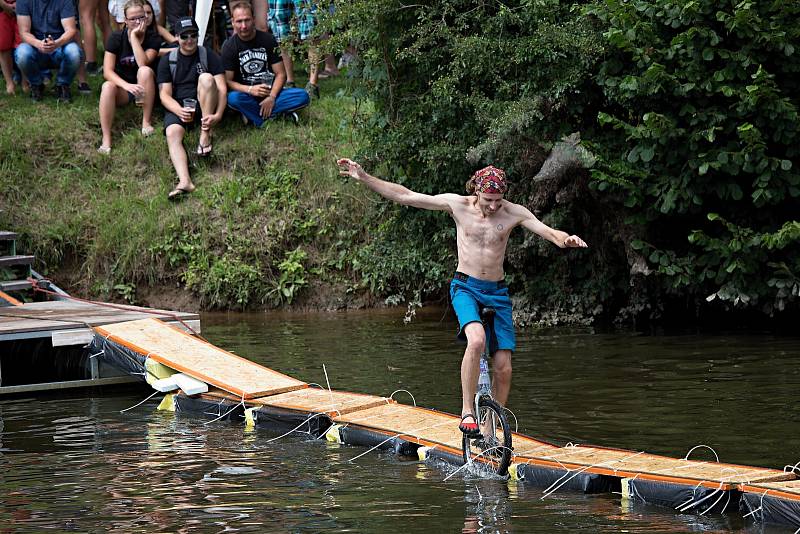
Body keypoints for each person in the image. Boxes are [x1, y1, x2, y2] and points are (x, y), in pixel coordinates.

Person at [336, 159, 588, 436]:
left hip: (497, 293)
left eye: (498, 200)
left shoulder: (513, 212)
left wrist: (566, 240)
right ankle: (467, 410)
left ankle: (491, 425)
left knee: (503, 368)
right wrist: (365, 177)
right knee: (477, 339)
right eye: (488, 199)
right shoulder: (458, 205)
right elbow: (407, 196)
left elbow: (549, 232)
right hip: (466, 287)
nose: (494, 206)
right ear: (477, 190)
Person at [157, 15, 226, 200]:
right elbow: (164, 95)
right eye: (184, 36)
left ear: (198, 35)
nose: (189, 40)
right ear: (177, 37)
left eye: (193, 35)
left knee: (206, 78)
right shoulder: (168, 60)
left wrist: (218, 114)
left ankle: (205, 133)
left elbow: (222, 87)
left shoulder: (207, 54)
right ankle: (185, 181)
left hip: (204, 105)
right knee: (172, 133)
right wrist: (178, 111)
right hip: (179, 106)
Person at [221, 0, 309, 127]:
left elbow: (281, 74)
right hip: (247, 95)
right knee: (233, 99)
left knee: (302, 96)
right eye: (239, 21)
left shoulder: (268, 39)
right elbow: (228, 81)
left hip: (271, 92)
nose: (244, 26)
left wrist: (272, 97)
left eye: (247, 20)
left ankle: (254, 117)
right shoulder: (229, 47)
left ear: (254, 19)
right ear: (233, 22)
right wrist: (250, 90)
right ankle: (274, 115)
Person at [97, 0, 160, 153]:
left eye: (141, 17)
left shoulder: (153, 38)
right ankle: (106, 139)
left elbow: (143, 62)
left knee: (144, 71)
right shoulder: (116, 38)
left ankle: (146, 122)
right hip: (124, 90)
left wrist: (134, 39)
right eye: (133, 19)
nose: (138, 21)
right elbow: (107, 71)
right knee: (107, 86)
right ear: (125, 20)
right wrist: (127, 86)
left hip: (146, 88)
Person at [14, 0, 81, 101]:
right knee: (22, 53)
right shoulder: (23, 1)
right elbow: (24, 32)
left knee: (74, 52)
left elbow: (71, 30)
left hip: (60, 46)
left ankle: (63, 85)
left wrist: (56, 43)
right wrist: (39, 44)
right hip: (35, 47)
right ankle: (36, 85)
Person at [0, 0, 20, 94]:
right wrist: (3, 4)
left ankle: (25, 81)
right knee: (3, 47)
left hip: (22, 9)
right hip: (1, 10)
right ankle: (9, 82)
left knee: (23, 44)